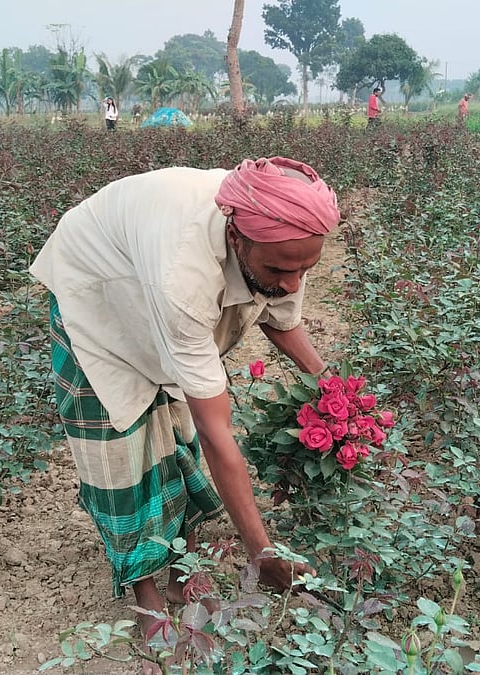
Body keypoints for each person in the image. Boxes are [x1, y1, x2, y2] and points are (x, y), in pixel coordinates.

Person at [29, 157, 339, 669]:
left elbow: (281, 319)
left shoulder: (281, 236)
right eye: (280, 270)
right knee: (121, 451)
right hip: (100, 296)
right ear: (236, 238)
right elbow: (221, 438)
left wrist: (334, 391)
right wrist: (261, 552)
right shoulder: (183, 273)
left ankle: (182, 567)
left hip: (150, 279)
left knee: (176, 432)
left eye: (304, 269)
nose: (290, 283)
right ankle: (147, 591)